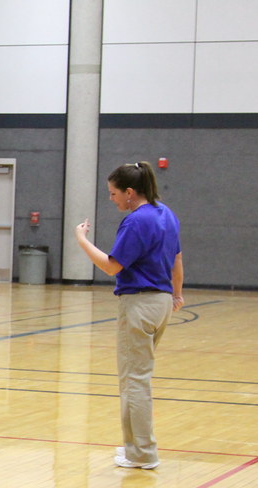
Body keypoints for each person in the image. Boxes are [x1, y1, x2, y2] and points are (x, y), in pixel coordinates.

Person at [75, 160, 184, 470]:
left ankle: (143, 453)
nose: (111, 199)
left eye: (113, 193)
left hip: (140, 304)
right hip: (161, 303)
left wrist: (81, 240)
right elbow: (176, 258)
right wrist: (176, 294)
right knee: (135, 377)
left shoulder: (137, 221)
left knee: (134, 381)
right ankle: (134, 447)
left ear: (130, 192)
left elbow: (112, 266)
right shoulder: (167, 214)